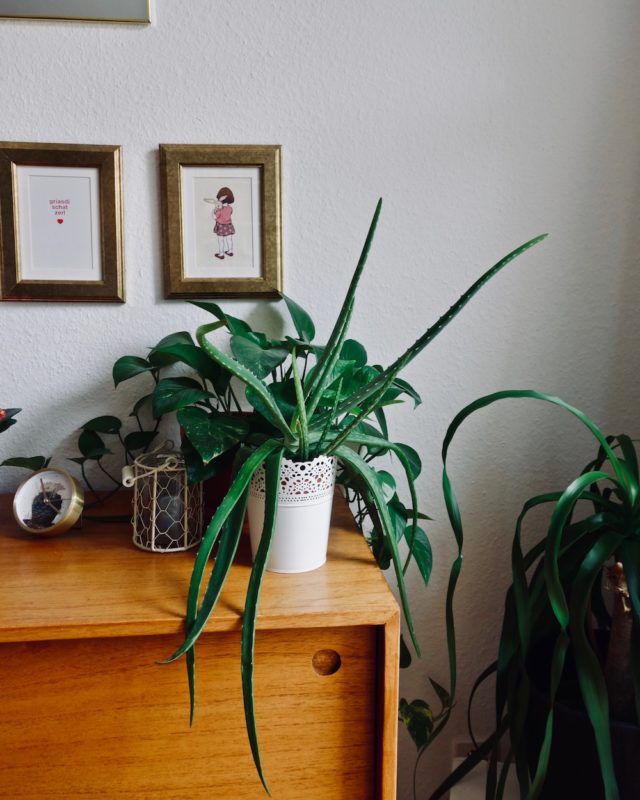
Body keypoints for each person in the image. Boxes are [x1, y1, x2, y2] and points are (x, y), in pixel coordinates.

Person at [213, 187, 235, 260]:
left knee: (221, 240)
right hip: (229, 226)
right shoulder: (230, 208)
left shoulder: (220, 209)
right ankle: (230, 251)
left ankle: (221, 254)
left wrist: (216, 208)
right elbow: (230, 213)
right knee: (229, 239)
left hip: (221, 226)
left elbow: (215, 216)